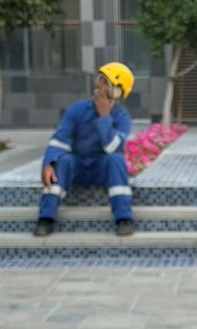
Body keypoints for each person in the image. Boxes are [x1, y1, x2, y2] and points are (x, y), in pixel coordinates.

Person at [34, 62, 136, 237]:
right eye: (100, 80)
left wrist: (104, 116)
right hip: (77, 166)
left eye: (106, 83)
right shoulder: (76, 110)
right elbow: (59, 141)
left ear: (118, 92)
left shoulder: (122, 118)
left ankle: (123, 219)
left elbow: (112, 148)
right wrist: (48, 163)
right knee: (63, 160)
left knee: (116, 159)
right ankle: (45, 219)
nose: (99, 85)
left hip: (102, 167)